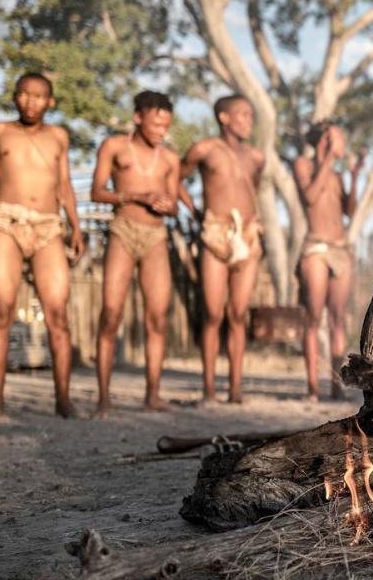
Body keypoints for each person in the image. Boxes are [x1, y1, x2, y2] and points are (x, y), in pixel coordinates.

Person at [0, 72, 86, 421]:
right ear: (14, 96)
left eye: (39, 96)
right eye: (24, 94)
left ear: (51, 102)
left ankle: (63, 400)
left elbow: (64, 186)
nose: (31, 101)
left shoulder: (58, 136)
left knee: (58, 315)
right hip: (8, 220)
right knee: (2, 309)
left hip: (49, 226)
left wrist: (75, 227)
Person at [90, 90, 180, 414]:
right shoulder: (114, 146)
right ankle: (103, 398)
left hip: (156, 235)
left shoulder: (169, 157)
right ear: (138, 117)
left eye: (165, 126)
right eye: (155, 124)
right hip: (122, 231)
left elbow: (173, 208)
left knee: (157, 317)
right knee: (111, 313)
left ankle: (152, 396)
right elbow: (96, 191)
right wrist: (137, 196)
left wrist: (166, 206)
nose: (160, 131)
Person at [179, 94, 265, 405]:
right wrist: (195, 212)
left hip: (247, 234)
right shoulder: (204, 149)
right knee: (213, 313)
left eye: (250, 115)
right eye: (241, 114)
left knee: (238, 313)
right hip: (215, 234)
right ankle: (209, 388)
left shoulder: (256, 157)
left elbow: (250, 191)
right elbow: (176, 178)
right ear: (223, 117)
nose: (247, 120)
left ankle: (236, 388)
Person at [293, 122, 358, 400]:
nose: (343, 141)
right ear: (325, 140)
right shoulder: (303, 165)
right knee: (313, 316)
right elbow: (309, 197)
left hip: (340, 249)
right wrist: (328, 157)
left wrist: (354, 178)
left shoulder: (337, 176)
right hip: (316, 248)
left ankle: (336, 384)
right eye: (338, 136)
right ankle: (311, 386)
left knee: (337, 319)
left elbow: (349, 211)